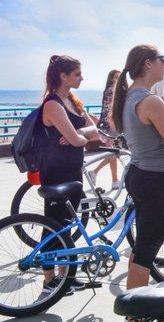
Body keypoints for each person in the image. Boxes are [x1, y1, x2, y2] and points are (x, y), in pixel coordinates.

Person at [112, 45, 164, 292]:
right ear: (148, 63)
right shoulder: (151, 101)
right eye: (162, 60)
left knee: (142, 247)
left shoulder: (128, 98)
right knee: (146, 252)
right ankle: (135, 313)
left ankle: (134, 307)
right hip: (155, 180)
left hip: (139, 173)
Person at [39, 55, 98, 294]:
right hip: (56, 172)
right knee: (53, 225)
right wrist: (80, 136)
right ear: (63, 76)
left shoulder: (73, 100)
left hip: (73, 170)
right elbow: (76, 139)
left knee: (67, 224)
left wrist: (80, 133)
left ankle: (66, 276)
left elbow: (92, 130)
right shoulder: (53, 104)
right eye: (77, 74)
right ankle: (48, 279)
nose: (81, 77)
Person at [90, 69, 121, 189]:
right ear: (112, 79)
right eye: (117, 77)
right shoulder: (112, 90)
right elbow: (110, 109)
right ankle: (114, 181)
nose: (120, 79)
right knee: (113, 152)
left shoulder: (108, 90)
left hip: (107, 124)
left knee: (113, 153)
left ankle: (95, 172)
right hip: (109, 125)